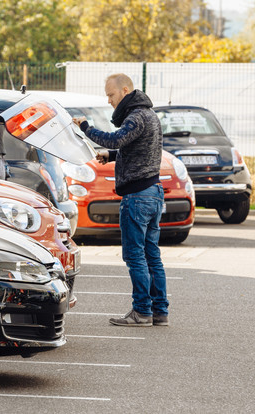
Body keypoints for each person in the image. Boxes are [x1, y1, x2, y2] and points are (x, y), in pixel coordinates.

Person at [72, 73, 169, 327]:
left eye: (111, 94)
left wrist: (85, 127)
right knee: (151, 256)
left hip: (138, 197)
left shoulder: (136, 116)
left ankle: (142, 312)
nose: (109, 100)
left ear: (125, 90)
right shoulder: (148, 115)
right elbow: (137, 149)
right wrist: (112, 156)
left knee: (135, 256)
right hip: (152, 192)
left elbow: (115, 138)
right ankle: (159, 312)